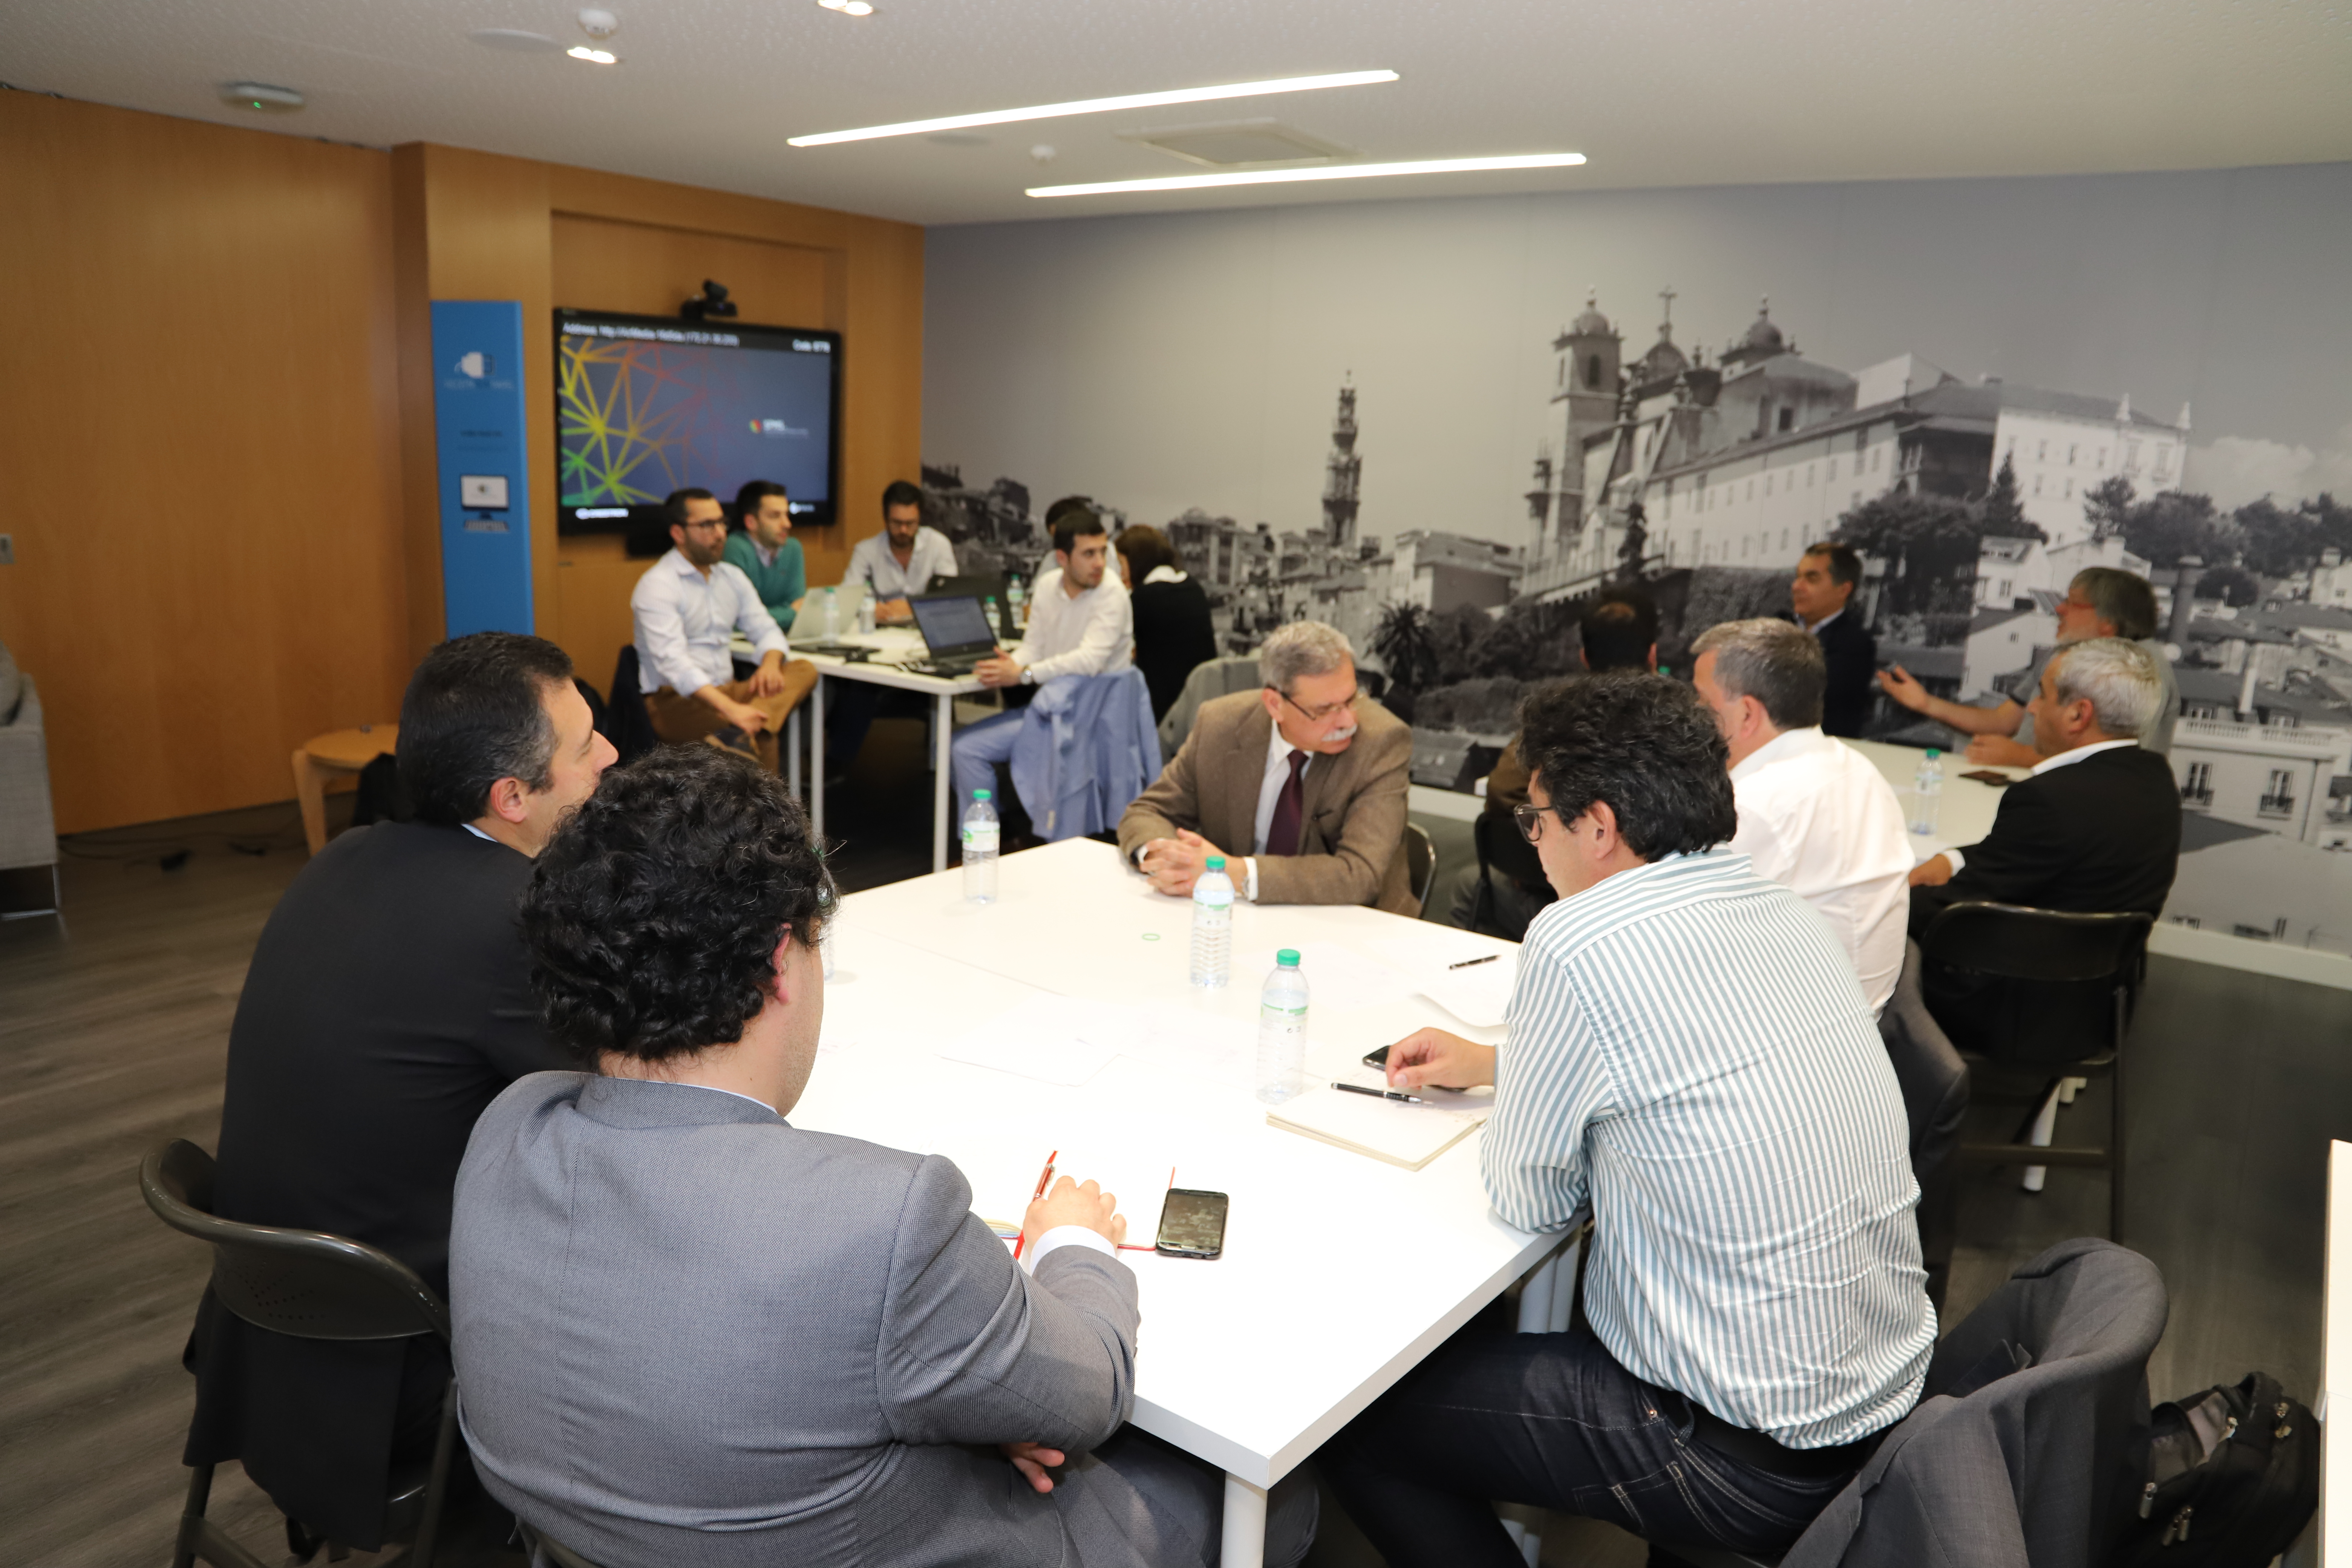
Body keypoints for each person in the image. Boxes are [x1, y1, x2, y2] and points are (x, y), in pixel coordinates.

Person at [451, 747, 1316, 1568]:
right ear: (779, 960)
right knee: (1280, 1493)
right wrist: (1072, 1247)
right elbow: (1088, 1396)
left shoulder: (507, 1129)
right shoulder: (883, 1220)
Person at [1322, 672, 1931, 1566]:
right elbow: (1707, 1057)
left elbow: (1531, 1196)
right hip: (1880, 1396)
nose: (1533, 845)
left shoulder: (1578, 937)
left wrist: (1534, 1086)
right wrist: (1504, 1061)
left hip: (1733, 1449)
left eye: (1537, 821)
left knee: (1352, 1419)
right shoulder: (1785, 911)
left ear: (1598, 826)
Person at [182, 633, 616, 1553]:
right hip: (390, 1365)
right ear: (512, 797)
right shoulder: (507, 916)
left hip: (261, 1323)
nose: (611, 755)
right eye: (586, 745)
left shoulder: (346, 857)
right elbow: (617, 1102)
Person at [1691, 618, 1913, 1014]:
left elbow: (1688, 948)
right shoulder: (1859, 768)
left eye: (1703, 703)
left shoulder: (1755, 805)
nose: (1692, 715)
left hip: (1796, 1038)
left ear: (1747, 714)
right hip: (1857, 1019)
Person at [1118, 620, 1415, 913]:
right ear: (1275, 705)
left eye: (1352, 699)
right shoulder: (1220, 726)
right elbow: (1148, 812)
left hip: (1354, 926)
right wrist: (1169, 858)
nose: (1348, 721)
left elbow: (1360, 874)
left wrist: (1233, 873)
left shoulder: (1382, 743)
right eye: (1325, 710)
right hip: (1239, 916)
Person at [1908, 635, 2182, 932]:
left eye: (2043, 695)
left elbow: (1952, 908)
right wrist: (1953, 859)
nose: (2033, 708)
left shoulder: (2048, 799)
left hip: (2009, 968)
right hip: (2106, 968)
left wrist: (1890, 899)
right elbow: (2028, 852)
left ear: (2078, 715)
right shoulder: (2158, 779)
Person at [1453, 588, 1657, 936]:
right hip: (1646, 912)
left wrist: (1556, 832)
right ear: (1653, 655)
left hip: (1559, 900)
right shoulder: (1674, 727)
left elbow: (1502, 792)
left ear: (1584, 657)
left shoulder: (1556, 719)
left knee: (1468, 885)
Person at [1879, 565, 2180, 763]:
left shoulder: (2145, 669)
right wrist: (1925, 703)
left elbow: (2117, 765)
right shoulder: (2063, 655)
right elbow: (2004, 721)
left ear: (2108, 622)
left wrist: (2020, 757)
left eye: (2073, 603)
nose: (2059, 609)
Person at [948, 506, 1135, 811]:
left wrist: (1023, 674)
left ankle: (1015, 836)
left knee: (967, 747)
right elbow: (1033, 648)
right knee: (963, 749)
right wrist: (1007, 667)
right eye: (1089, 554)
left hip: (1091, 720)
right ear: (1062, 558)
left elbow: (1090, 661)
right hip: (1049, 710)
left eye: (1103, 552)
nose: (1100, 563)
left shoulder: (1112, 594)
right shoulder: (1048, 587)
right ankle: (988, 843)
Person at [631, 486, 818, 775]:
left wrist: (770, 664)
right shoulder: (658, 585)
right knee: (760, 736)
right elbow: (674, 665)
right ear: (679, 534)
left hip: (729, 691)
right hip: (676, 702)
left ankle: (745, 732)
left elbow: (765, 628)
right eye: (707, 525)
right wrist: (732, 711)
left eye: (721, 523)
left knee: (803, 669)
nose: (720, 534)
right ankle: (767, 811)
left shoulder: (731, 577)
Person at [1113, 524, 1219, 721]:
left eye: (1122, 564)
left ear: (1136, 561)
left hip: (1159, 716)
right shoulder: (1193, 589)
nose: (1121, 574)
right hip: (1198, 711)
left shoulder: (1143, 599)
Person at [1792, 541, 1879, 738]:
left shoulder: (1854, 644)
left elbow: (1808, 697)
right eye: (1798, 577)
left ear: (1843, 590)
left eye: (1811, 579)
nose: (1797, 586)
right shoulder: (1776, 626)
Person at [844, 478, 959, 625]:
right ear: (885, 519)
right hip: (881, 630)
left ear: (919, 520)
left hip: (928, 626)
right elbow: (847, 598)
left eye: (910, 523)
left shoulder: (938, 545)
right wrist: (871, 608)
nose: (903, 530)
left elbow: (951, 598)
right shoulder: (866, 550)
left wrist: (911, 608)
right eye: (897, 523)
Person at [722, 478, 806, 634]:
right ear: (751, 522)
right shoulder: (735, 547)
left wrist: (790, 613)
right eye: (775, 516)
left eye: (786, 515)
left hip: (778, 638)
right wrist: (790, 614)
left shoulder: (793, 548)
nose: (787, 524)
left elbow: (799, 606)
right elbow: (736, 620)